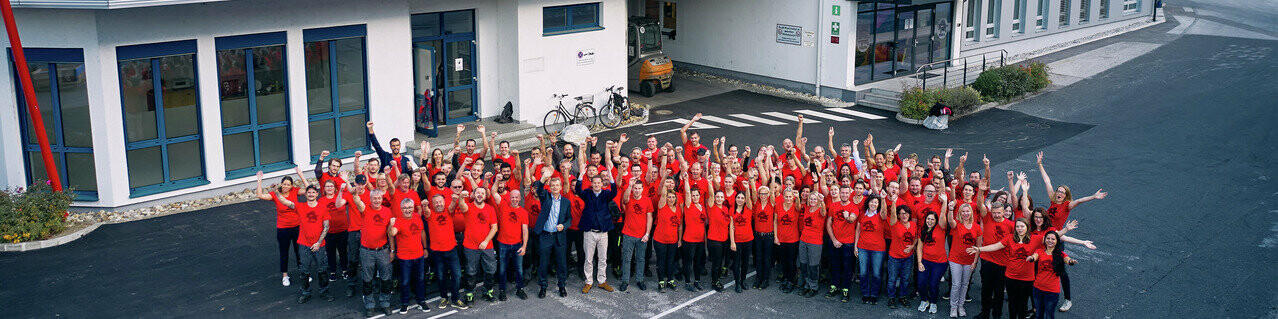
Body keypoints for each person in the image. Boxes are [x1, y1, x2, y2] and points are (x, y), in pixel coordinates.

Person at [968, 217, 1096, 319]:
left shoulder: (1035, 239)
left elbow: (1053, 236)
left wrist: (1067, 230)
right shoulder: (1009, 239)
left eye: (1022, 226)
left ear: (1027, 227)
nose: (1019, 228)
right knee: (1012, 303)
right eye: (1017, 226)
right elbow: (995, 246)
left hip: (1027, 278)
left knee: (1023, 303)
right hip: (1011, 276)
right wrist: (979, 249)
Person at [1037, 151, 1106, 312]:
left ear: (1066, 195)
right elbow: (1047, 181)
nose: (1059, 193)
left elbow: (1080, 201)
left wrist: (1094, 197)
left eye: (1062, 192)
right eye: (1058, 191)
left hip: (1057, 239)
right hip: (1044, 236)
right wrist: (1040, 164)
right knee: (1040, 264)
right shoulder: (1053, 200)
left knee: (1060, 270)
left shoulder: (1067, 205)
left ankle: (1068, 299)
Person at [275, 183, 342, 304]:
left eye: (313, 192)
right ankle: (305, 293)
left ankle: (324, 291)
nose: (311, 194)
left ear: (317, 194)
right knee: (304, 271)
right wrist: (276, 191)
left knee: (322, 270)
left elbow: (326, 226)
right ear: (305, 194)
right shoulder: (300, 207)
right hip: (304, 245)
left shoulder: (322, 207)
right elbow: (285, 202)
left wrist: (318, 243)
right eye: (309, 192)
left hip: (319, 246)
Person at [575, 139, 618, 294]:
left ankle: (602, 280)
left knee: (603, 259)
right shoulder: (586, 194)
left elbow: (614, 191)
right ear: (591, 183)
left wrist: (611, 176)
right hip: (589, 232)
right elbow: (578, 191)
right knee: (588, 259)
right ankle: (588, 281)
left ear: (602, 183)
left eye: (599, 182)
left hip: (603, 232)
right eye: (594, 182)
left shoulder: (607, 194)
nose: (597, 185)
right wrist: (580, 175)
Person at [254, 168, 309, 287]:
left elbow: (310, 190)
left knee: (299, 251)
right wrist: (259, 181)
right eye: (284, 184)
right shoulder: (275, 194)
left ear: (291, 186)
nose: (286, 186)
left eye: (288, 185)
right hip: (283, 228)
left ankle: (303, 272)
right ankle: (285, 276)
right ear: (281, 184)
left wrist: (301, 174)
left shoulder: (295, 191)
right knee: (284, 252)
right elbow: (260, 195)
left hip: (297, 226)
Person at [453, 187, 498, 305]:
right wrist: (462, 196)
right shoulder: (469, 207)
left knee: (490, 270)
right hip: (470, 246)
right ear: (473, 194)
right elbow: (461, 204)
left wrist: (486, 241)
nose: (480, 195)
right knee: (471, 272)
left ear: (485, 196)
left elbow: (494, 227)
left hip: (487, 246)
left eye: (482, 193)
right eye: (477, 193)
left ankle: (487, 292)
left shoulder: (490, 209)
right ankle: (469, 295)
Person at [353, 188, 394, 317]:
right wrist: (355, 195)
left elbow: (390, 234)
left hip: (383, 250)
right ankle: (369, 305)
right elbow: (358, 202)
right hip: (367, 252)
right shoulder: (365, 209)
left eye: (379, 198)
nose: (377, 200)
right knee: (367, 280)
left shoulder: (387, 211)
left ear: (382, 199)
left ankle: (385, 303)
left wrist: (392, 250)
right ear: (370, 199)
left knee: (386, 279)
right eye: (374, 198)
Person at [532, 168, 572, 298]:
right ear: (550, 186)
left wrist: (564, 226)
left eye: (557, 185)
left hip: (559, 236)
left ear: (561, 187)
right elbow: (539, 189)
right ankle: (543, 287)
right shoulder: (546, 198)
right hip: (546, 236)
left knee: (561, 263)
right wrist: (544, 178)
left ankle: (562, 286)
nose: (555, 187)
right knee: (543, 262)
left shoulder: (566, 202)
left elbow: (569, 219)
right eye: (553, 185)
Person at [424, 194, 467, 310]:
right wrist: (424, 205)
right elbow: (426, 211)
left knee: (457, 275)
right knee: (440, 276)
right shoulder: (430, 214)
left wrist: (454, 199)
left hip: (451, 250)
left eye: (440, 202)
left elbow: (452, 206)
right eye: (436, 202)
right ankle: (444, 297)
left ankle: (455, 298)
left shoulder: (449, 211)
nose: (438, 204)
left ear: (444, 202)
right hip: (437, 252)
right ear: (433, 204)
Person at [389, 198, 430, 314]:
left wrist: (425, 247)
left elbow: (422, 232)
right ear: (401, 209)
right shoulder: (398, 220)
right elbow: (392, 233)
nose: (407, 210)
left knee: (420, 279)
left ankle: (421, 301)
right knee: (405, 281)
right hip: (404, 257)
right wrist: (391, 225)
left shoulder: (417, 217)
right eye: (405, 208)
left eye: (409, 207)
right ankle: (405, 304)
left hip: (419, 255)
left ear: (413, 208)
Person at [1028, 232, 1079, 319]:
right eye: (1048, 238)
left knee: (1049, 315)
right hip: (1037, 289)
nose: (1050, 241)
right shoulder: (1039, 251)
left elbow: (1067, 259)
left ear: (1056, 241)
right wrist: (1031, 258)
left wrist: (1071, 261)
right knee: (1039, 314)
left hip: (1052, 291)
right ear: (1044, 240)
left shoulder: (1060, 254)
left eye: (1053, 239)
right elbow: (1034, 256)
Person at [493, 186, 530, 301]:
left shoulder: (523, 212)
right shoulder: (503, 205)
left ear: (520, 198)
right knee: (502, 269)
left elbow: (525, 230)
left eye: (516, 197)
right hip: (503, 243)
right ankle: (502, 291)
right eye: (512, 197)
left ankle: (520, 289)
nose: (514, 199)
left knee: (519, 269)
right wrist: (498, 181)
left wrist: (524, 246)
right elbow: (494, 192)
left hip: (517, 244)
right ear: (509, 198)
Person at [680, 173, 709, 292]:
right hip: (689, 240)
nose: (695, 197)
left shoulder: (702, 207)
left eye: (697, 195)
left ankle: (697, 281)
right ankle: (687, 282)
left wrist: (705, 243)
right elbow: (687, 193)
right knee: (688, 262)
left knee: (698, 263)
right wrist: (686, 180)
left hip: (700, 240)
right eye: (693, 195)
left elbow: (704, 225)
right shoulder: (688, 205)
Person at [652, 182, 683, 293]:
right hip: (660, 240)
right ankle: (661, 282)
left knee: (670, 261)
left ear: (676, 198)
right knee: (661, 261)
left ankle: (670, 280)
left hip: (673, 240)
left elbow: (680, 226)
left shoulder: (678, 210)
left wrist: (679, 239)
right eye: (669, 197)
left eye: (673, 197)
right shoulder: (662, 206)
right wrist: (665, 185)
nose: (671, 199)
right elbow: (663, 195)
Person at [885, 202, 916, 309]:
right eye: (902, 213)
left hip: (908, 257)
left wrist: (912, 246)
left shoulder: (913, 224)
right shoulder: (895, 224)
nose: (904, 215)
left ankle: (903, 296)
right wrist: (893, 202)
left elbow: (916, 237)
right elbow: (892, 214)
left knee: (905, 278)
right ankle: (891, 297)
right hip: (895, 257)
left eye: (906, 213)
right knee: (892, 279)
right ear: (898, 215)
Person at [797, 191, 827, 297]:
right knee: (803, 264)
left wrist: (822, 201)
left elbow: (824, 212)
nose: (813, 201)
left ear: (818, 200)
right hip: (804, 240)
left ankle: (813, 287)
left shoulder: (820, 210)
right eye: (811, 198)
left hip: (815, 242)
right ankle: (807, 284)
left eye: (815, 199)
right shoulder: (807, 209)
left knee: (813, 266)